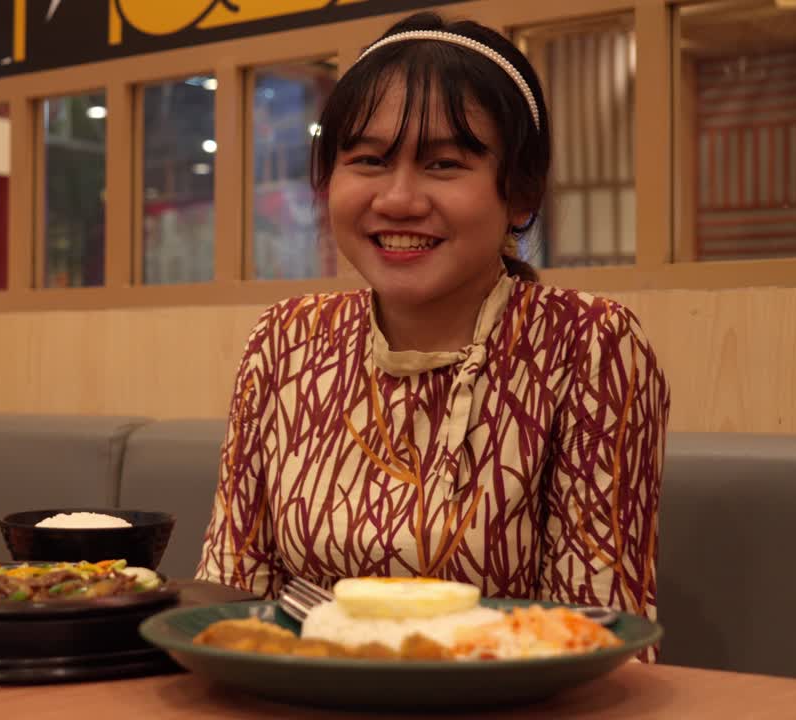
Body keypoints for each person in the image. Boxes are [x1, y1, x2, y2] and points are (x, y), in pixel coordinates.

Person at [195, 11, 670, 642]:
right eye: (367, 160)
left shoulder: (588, 344)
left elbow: (597, 635)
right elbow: (229, 601)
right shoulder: (285, 340)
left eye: (444, 165)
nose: (398, 199)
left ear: (521, 194)